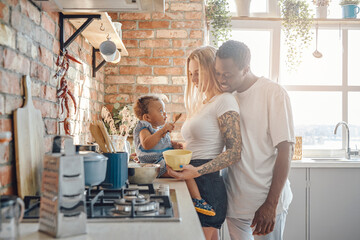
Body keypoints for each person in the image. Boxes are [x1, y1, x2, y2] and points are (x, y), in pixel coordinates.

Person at [168, 40, 295, 240]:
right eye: (217, 73)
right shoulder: (226, 95)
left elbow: (286, 151)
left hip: (265, 200)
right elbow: (217, 143)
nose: (221, 79)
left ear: (245, 69)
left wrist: (271, 204)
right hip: (236, 201)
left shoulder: (273, 92)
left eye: (226, 74)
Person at [172, 46, 242, 240]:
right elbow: (202, 143)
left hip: (206, 183)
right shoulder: (205, 102)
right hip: (193, 177)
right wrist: (181, 147)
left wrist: (197, 171)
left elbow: (235, 152)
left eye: (198, 73)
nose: (193, 80)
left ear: (211, 69)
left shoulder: (225, 100)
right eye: (190, 74)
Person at [133, 95, 216, 216]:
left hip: (161, 161)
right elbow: (147, 144)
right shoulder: (144, 128)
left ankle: (196, 199)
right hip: (154, 165)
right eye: (160, 111)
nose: (165, 114)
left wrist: (174, 145)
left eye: (164, 110)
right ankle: (197, 200)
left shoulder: (159, 129)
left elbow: (161, 145)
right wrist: (162, 131)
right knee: (184, 170)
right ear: (147, 117)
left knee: (185, 168)